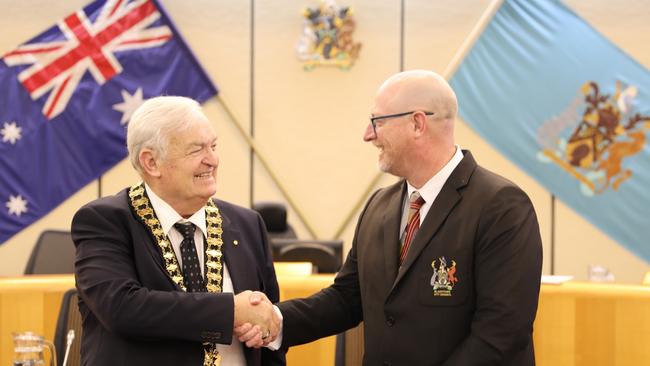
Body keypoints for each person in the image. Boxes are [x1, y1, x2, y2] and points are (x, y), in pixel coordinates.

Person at [237, 70, 543, 365]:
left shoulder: (501, 206)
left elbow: (500, 333)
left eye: (377, 121)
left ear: (417, 124)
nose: (368, 135)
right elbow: (346, 299)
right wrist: (275, 321)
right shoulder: (379, 206)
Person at [71, 96, 285, 366]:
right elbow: (122, 308)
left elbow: (268, 329)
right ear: (151, 163)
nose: (212, 160)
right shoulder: (104, 221)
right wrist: (230, 312)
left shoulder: (247, 224)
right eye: (196, 150)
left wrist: (262, 328)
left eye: (214, 146)